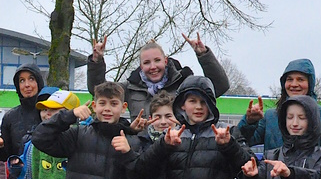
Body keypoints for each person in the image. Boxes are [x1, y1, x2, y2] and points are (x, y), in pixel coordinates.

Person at [87, 33, 230, 120]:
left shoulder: (184, 84)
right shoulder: (129, 88)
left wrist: (203, 55)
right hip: (142, 153)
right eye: (146, 63)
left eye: (157, 61)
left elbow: (219, 87)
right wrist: (97, 62)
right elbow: (98, 90)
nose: (153, 67)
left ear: (165, 61)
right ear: (140, 66)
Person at [0, 63, 45, 179]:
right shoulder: (10, 117)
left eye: (31, 79)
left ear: (39, 82)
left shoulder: (49, 112)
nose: (27, 85)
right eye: (22, 81)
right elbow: (6, 156)